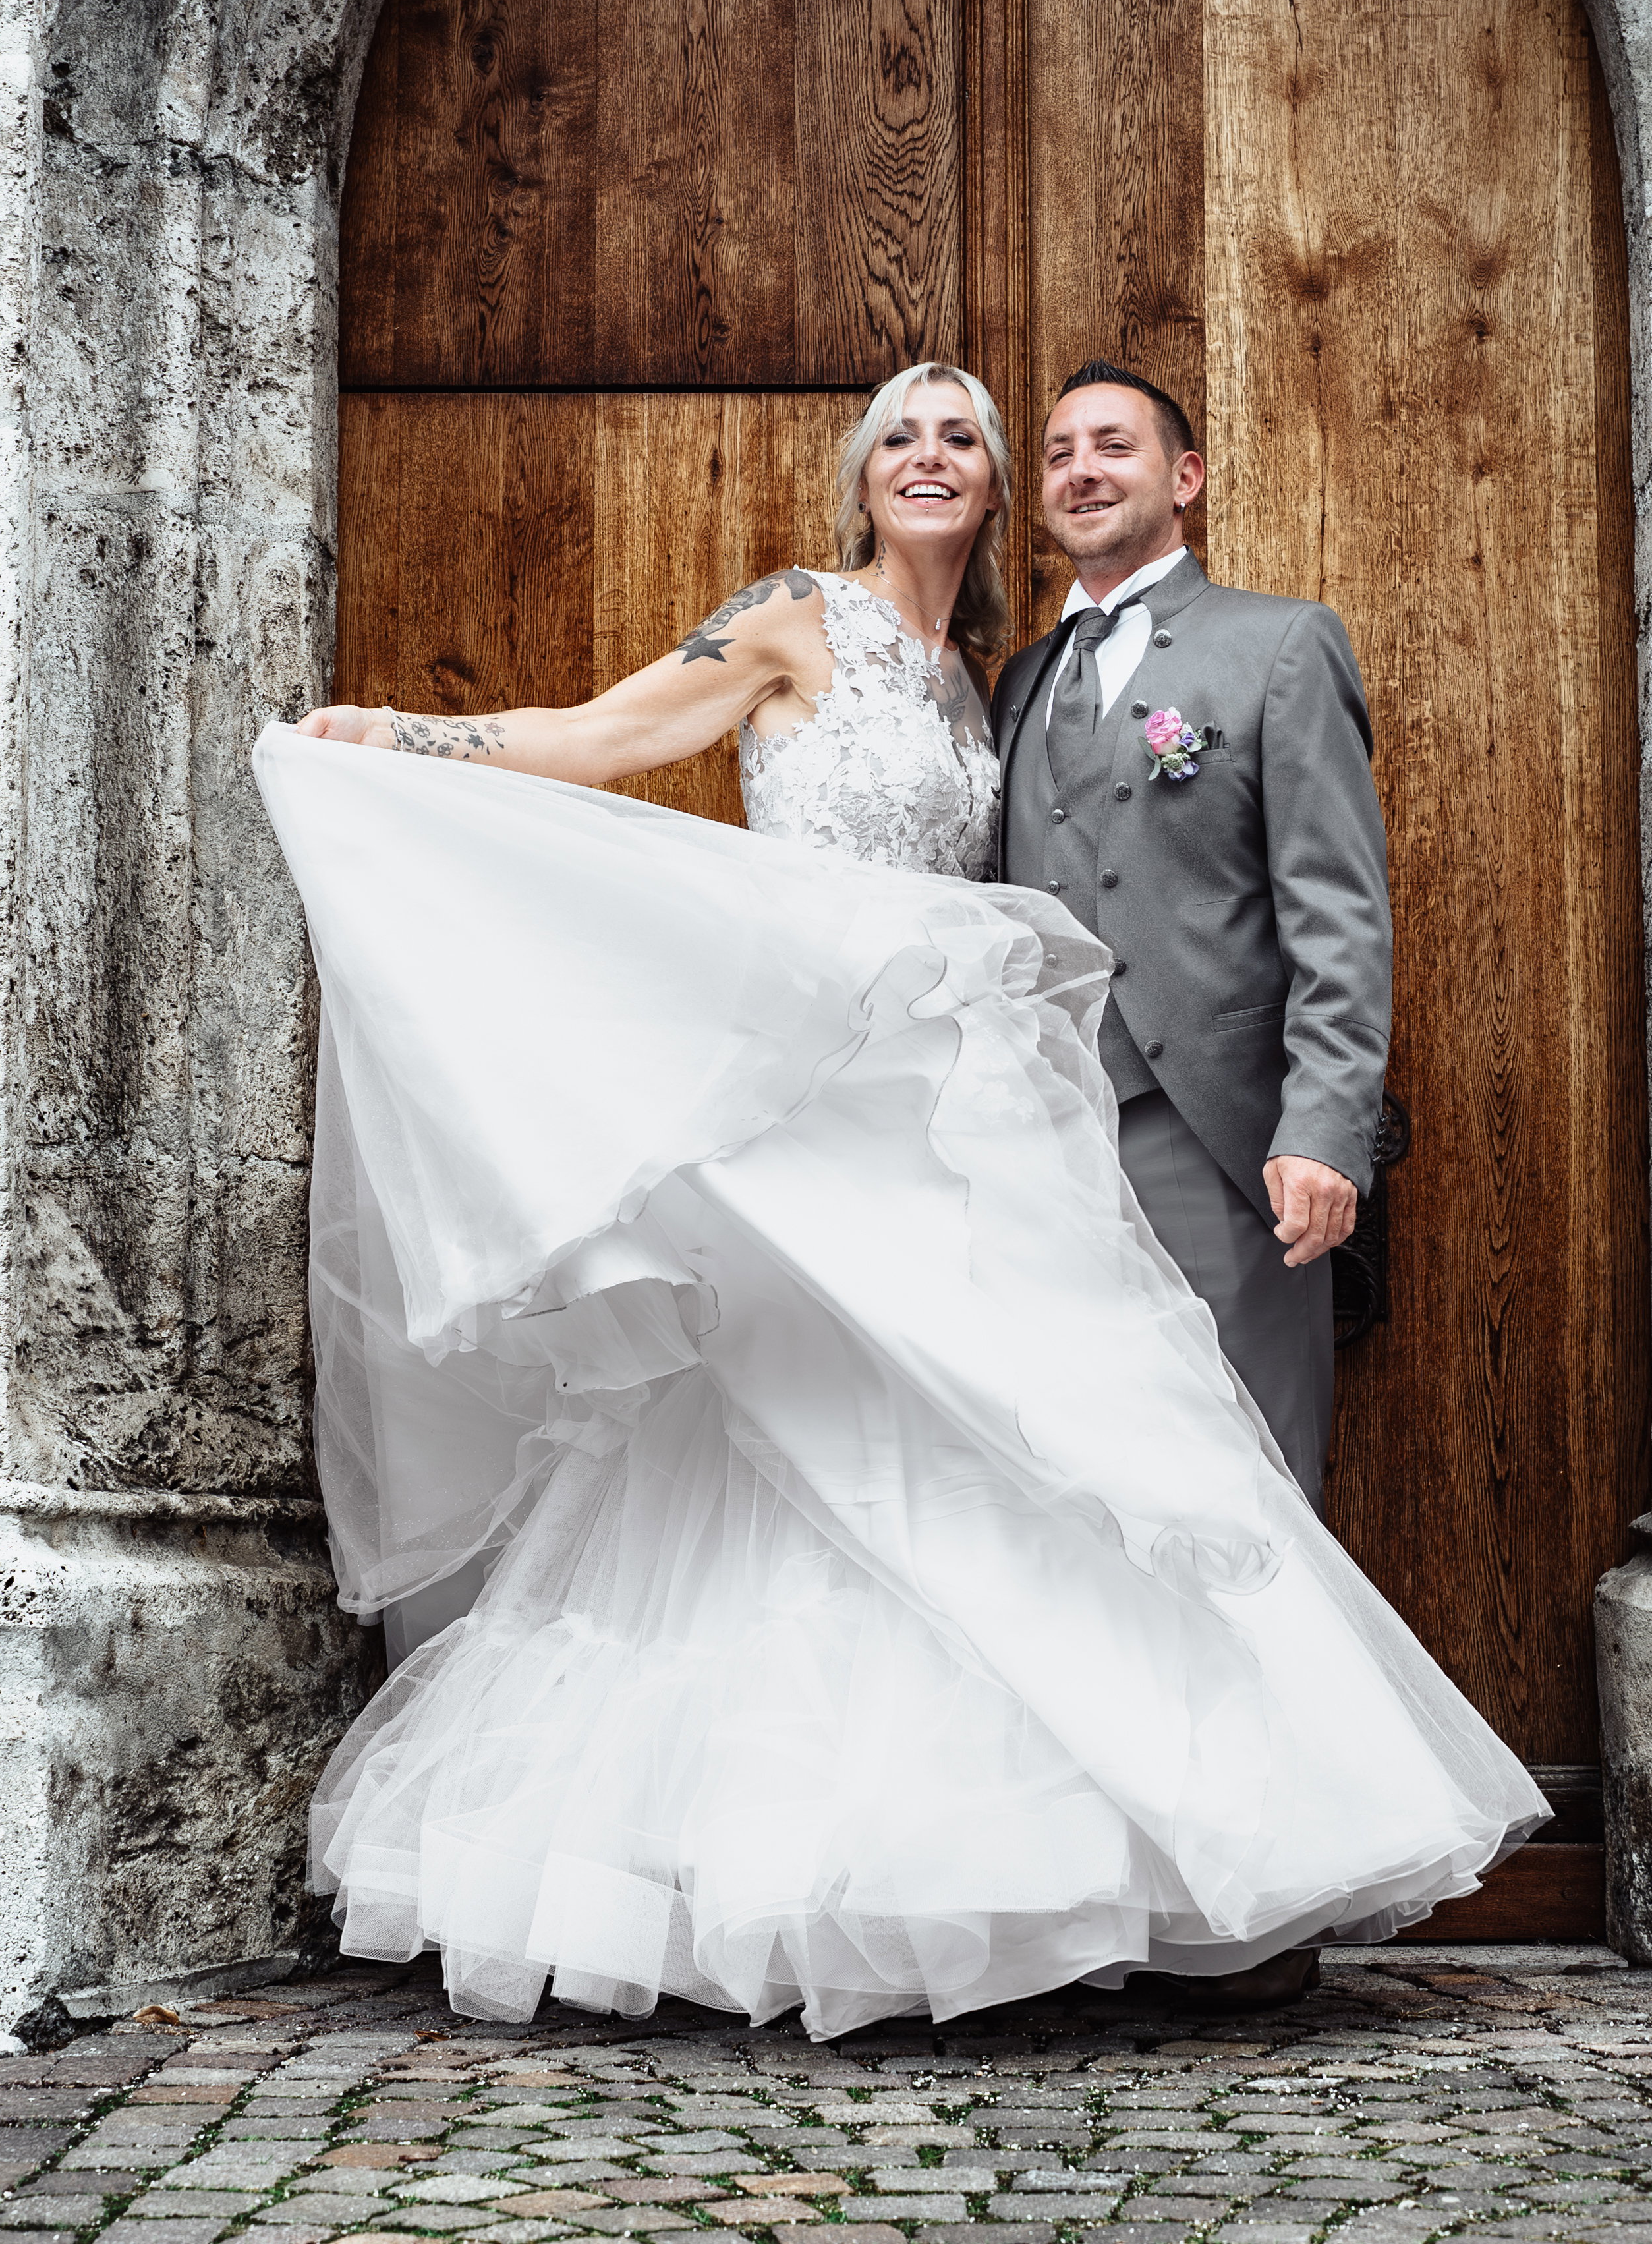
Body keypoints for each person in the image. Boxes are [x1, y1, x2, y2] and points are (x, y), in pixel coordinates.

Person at [256, 362, 1540, 2038]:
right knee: (814, 1456)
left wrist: (1323, 1113)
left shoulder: (988, 683)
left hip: (988, 1119)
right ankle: (780, 1882)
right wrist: (414, 736)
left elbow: (1276, 898)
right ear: (862, 477)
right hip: (819, 1106)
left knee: (1005, 1465)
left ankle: (1090, 1882)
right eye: (900, 439)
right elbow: (616, 731)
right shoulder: (802, 618)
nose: (932, 459)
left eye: (967, 439)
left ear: (1005, 489)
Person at [990, 362, 1386, 1512]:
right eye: (1059, 454)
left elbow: (1337, 908)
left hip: (1222, 1142)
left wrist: (1322, 1129)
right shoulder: (1018, 683)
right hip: (1049, 1147)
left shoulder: (1278, 645)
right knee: (1085, 1488)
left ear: (1186, 477)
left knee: (1250, 1488)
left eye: (1112, 445)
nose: (1081, 470)